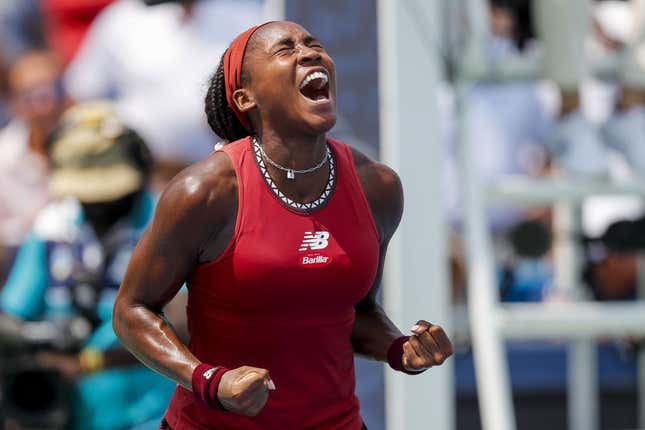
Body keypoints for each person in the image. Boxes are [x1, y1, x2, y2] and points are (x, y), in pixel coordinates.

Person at [113, 21, 453, 429]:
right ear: (246, 97)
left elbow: (355, 313)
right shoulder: (203, 192)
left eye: (314, 44)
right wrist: (209, 381)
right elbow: (132, 310)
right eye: (285, 50)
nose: (309, 53)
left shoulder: (377, 187)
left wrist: (400, 348)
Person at [0, 102, 176, 429]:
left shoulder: (170, 228)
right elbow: (14, 311)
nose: (98, 204)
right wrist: (31, 339)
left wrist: (89, 362)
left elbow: (186, 328)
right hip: (75, 414)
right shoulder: (52, 226)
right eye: (88, 194)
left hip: (155, 414)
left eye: (109, 193)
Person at [64, 0, 264, 185]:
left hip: (223, 181)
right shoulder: (122, 19)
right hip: (137, 186)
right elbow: (83, 96)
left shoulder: (248, 17)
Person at [0, 50, 69, 284]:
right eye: (31, 95)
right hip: (15, 279)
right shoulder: (3, 159)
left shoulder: (95, 145)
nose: (44, 105)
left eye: (52, 90)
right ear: (13, 103)